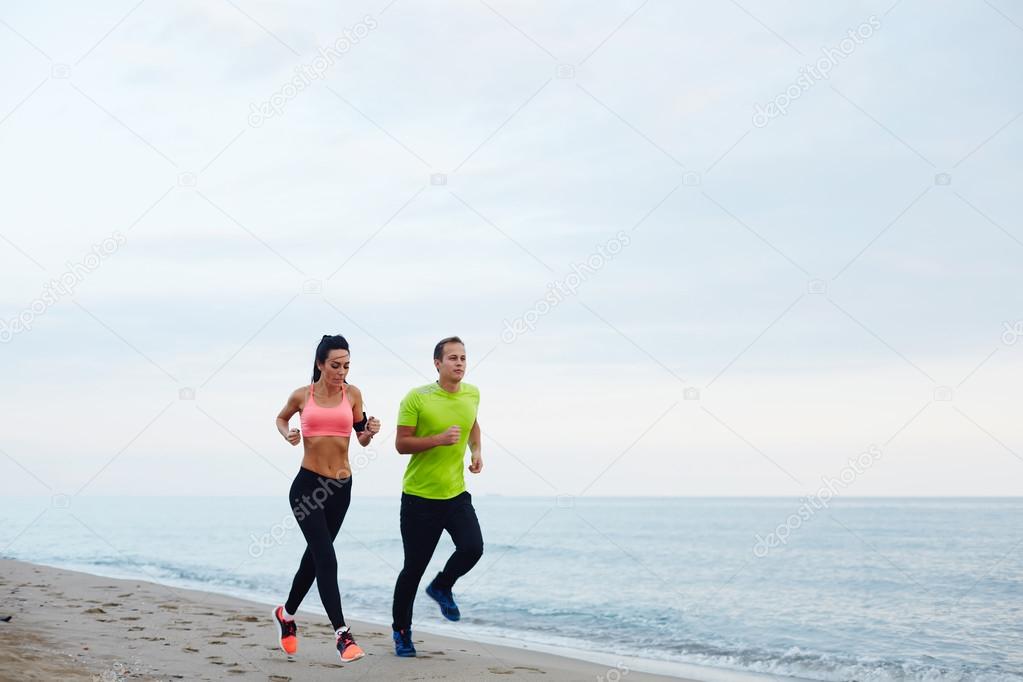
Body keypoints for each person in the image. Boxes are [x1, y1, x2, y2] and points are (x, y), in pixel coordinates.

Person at [271, 334, 380, 663]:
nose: (341, 371)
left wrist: (370, 431)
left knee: (315, 559)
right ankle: (343, 636)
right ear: (320, 363)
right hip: (307, 486)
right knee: (327, 559)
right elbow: (280, 418)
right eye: (335, 365)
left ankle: (286, 616)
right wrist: (287, 434)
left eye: (346, 365)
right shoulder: (303, 395)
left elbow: (361, 438)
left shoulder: (353, 394)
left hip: (340, 489)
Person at [390, 336, 484, 657]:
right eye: (453, 358)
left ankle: (443, 585)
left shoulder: (472, 393)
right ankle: (402, 632)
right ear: (437, 363)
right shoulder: (416, 398)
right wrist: (438, 439)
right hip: (419, 498)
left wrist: (477, 452)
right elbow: (401, 444)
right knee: (413, 569)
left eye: (463, 358)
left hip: (455, 494)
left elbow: (473, 425)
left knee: (473, 547)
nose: (459, 363)